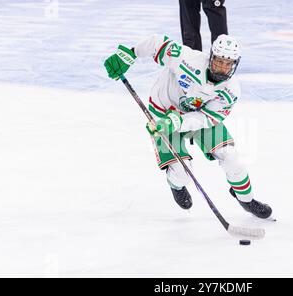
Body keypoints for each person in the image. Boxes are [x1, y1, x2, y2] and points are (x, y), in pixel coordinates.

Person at [104, 34, 273, 219]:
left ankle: (246, 200)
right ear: (211, 57)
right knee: (183, 172)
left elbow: (208, 118)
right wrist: (131, 53)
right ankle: (176, 185)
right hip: (162, 114)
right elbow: (157, 43)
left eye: (228, 63)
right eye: (218, 61)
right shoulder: (187, 59)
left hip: (197, 118)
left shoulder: (231, 91)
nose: (222, 67)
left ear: (235, 64)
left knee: (231, 158)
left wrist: (179, 122)